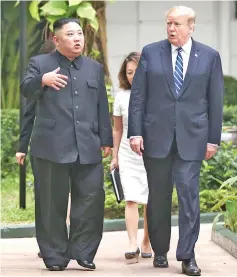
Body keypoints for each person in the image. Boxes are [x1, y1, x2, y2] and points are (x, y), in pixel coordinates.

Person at [128, 6, 224, 276]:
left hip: (192, 139)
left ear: (191, 26)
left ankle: (187, 255)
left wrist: (213, 139)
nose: (171, 28)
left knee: (188, 196)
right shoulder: (150, 52)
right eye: (168, 23)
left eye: (177, 24)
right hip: (156, 138)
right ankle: (160, 250)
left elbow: (215, 101)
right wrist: (135, 132)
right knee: (158, 198)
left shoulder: (209, 56)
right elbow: (138, 97)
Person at [20, 18, 113, 271]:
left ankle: (83, 252)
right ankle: (55, 256)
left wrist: (106, 140)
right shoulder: (40, 64)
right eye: (70, 34)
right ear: (57, 39)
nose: (77, 38)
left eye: (80, 33)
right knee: (51, 204)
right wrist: (42, 80)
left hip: (88, 146)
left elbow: (101, 106)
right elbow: (25, 90)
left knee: (91, 201)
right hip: (51, 148)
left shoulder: (94, 68)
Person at [110, 52, 152, 262]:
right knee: (131, 199)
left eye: (137, 71)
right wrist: (115, 156)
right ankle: (132, 242)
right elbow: (117, 129)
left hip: (151, 154)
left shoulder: (156, 94)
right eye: (129, 72)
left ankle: (147, 241)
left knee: (150, 201)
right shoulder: (121, 96)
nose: (133, 76)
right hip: (127, 153)